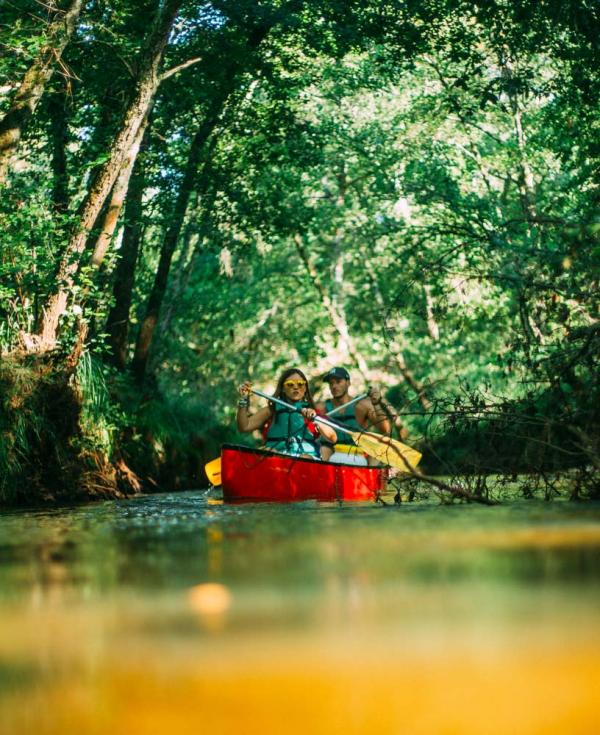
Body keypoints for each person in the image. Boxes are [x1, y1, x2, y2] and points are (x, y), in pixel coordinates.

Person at [236, 368, 337, 459]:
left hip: (305, 457)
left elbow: (333, 438)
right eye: (290, 384)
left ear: (305, 388)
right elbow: (244, 427)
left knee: (304, 458)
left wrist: (315, 419)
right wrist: (244, 399)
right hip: (278, 455)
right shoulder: (271, 410)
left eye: (300, 384)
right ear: (283, 389)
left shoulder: (313, 411)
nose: (296, 387)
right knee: (267, 452)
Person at [316, 366, 391, 463]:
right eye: (331, 383)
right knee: (323, 449)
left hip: (357, 451)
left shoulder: (362, 406)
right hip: (332, 451)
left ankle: (370, 476)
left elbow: (385, 429)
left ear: (348, 383)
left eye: (338, 382)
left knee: (376, 450)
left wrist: (376, 404)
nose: (334, 386)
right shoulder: (322, 408)